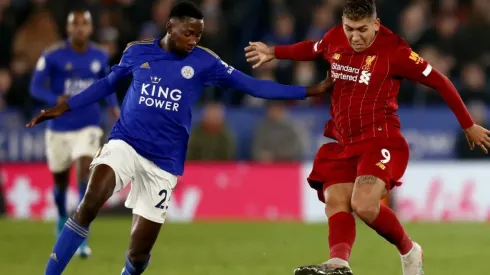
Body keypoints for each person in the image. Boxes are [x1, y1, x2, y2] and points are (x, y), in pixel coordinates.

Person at [26, 2, 333, 275]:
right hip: (125, 143)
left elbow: (253, 86)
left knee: (139, 252)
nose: (194, 41)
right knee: (89, 203)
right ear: (170, 27)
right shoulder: (137, 52)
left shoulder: (205, 62)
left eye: (198, 35)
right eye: (188, 33)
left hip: (163, 163)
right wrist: (64, 106)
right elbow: (107, 84)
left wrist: (308, 91)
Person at [244, 0, 490, 275]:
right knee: (335, 198)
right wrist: (274, 52)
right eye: (349, 28)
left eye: (362, 29)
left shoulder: (395, 50)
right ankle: (339, 263)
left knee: (364, 204)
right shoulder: (334, 38)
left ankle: (410, 251)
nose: (355, 36)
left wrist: (468, 125)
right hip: (345, 142)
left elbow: (440, 81)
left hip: (381, 141)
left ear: (376, 24)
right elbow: (312, 49)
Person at [29, 9, 120, 258]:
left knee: (83, 171)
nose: (80, 29)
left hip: (88, 124)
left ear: (90, 29)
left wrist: (113, 107)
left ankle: (80, 232)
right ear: (68, 29)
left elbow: (108, 83)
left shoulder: (100, 55)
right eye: (75, 25)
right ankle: (61, 217)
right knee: (60, 181)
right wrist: (53, 99)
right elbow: (35, 86)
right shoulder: (53, 55)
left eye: (84, 24)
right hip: (59, 127)